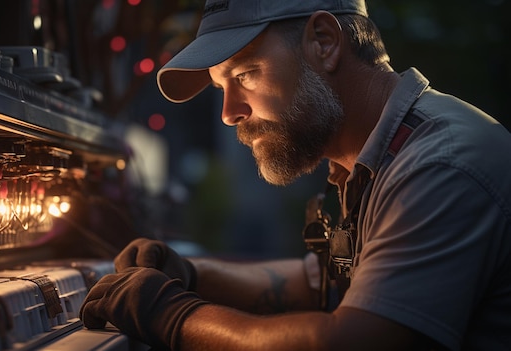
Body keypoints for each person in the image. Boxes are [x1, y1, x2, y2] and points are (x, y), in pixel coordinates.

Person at [79, 0, 511, 350]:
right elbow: (319, 283)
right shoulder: (367, 160)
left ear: (323, 42)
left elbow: (350, 341)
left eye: (245, 74)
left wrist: (172, 316)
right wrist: (189, 274)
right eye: (220, 87)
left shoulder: (438, 165)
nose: (230, 113)